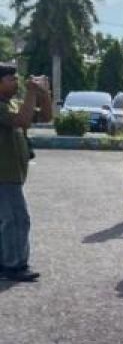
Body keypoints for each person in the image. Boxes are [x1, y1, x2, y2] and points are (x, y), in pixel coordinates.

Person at [0, 66, 50, 282]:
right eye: (11, 79)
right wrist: (31, 93)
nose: (17, 83)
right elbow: (22, 121)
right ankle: (13, 266)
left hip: (12, 174)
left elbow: (46, 117)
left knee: (9, 220)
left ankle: (7, 262)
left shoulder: (10, 104)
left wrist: (44, 94)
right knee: (17, 219)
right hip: (4, 175)